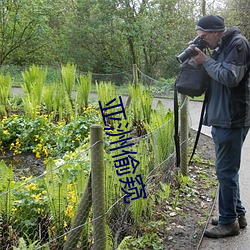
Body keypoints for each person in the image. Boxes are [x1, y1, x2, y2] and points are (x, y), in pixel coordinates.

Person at [192, 15, 250, 238]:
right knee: (227, 171)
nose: (203, 41)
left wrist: (205, 61)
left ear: (216, 32)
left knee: (225, 171)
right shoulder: (221, 46)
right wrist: (202, 60)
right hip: (222, 117)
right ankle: (237, 214)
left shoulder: (238, 44)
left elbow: (229, 77)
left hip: (232, 118)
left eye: (204, 37)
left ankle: (228, 223)